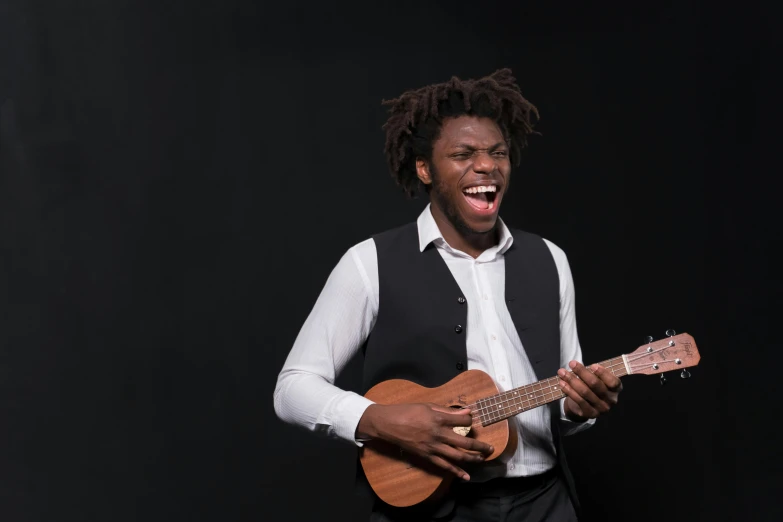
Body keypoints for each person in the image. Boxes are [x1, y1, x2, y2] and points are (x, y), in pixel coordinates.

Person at [273, 68, 623, 521]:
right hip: (431, 508)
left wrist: (580, 409)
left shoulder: (550, 259)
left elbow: (567, 399)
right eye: (463, 154)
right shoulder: (369, 262)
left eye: (498, 152)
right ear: (424, 168)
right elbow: (292, 388)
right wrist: (379, 420)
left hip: (545, 503)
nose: (486, 165)